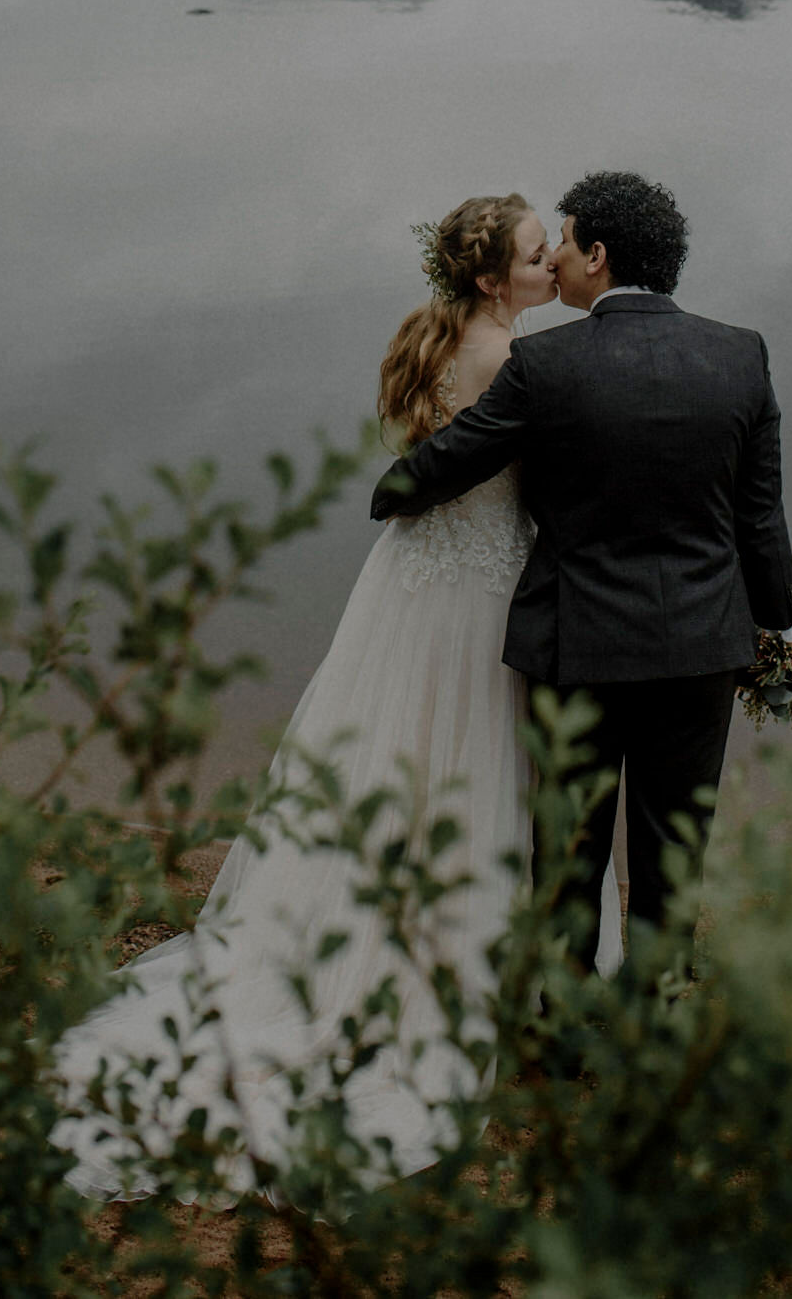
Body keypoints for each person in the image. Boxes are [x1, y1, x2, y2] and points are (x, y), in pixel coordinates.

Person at [51, 191, 619, 1205]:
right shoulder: (509, 362)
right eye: (538, 253)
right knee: (468, 766)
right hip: (480, 597)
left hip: (410, 581)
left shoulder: (439, 336)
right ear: (494, 279)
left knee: (392, 762)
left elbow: (426, 471)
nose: (552, 262)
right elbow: (549, 487)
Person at [371, 169, 792, 956]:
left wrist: (392, 491)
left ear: (597, 255)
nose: (557, 258)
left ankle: (562, 1029)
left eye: (563, 243)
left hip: (579, 647)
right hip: (699, 643)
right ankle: (652, 1024)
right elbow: (758, 515)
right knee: (674, 851)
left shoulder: (547, 364)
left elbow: (450, 463)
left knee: (567, 852)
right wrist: (782, 620)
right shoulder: (742, 355)